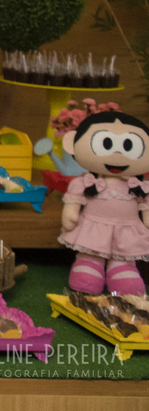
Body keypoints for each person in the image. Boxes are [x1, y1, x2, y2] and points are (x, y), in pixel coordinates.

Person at [59, 110, 149, 295]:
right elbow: (74, 202)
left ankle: (123, 271)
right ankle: (89, 266)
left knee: (124, 259)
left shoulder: (140, 186)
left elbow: (146, 206)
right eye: (107, 144)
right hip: (93, 228)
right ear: (72, 143)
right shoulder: (86, 182)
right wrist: (71, 213)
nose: (117, 154)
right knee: (90, 256)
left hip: (127, 230)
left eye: (128, 146)